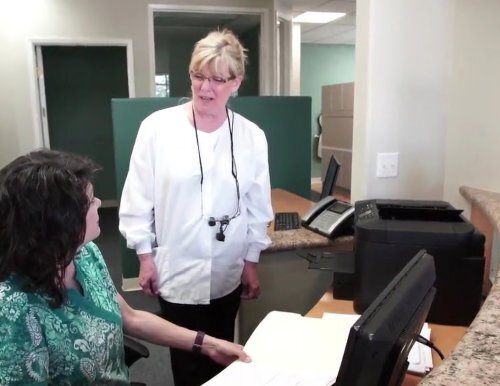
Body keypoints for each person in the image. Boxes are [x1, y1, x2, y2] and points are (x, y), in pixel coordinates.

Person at [0, 149, 250, 385]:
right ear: (58, 221)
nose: (98, 203)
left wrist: (208, 344)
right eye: (89, 200)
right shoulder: (14, 310)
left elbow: (130, 317)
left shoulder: (85, 255)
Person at [119, 29, 273, 385]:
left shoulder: (251, 136)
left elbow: (257, 206)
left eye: (217, 79)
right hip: (177, 268)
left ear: (236, 82)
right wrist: (144, 256)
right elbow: (137, 199)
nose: (205, 88)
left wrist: (251, 262)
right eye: (198, 76)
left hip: (227, 270)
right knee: (187, 364)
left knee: (223, 358)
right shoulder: (157, 129)